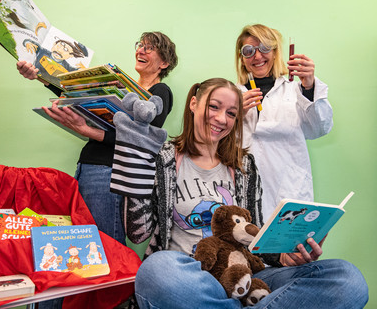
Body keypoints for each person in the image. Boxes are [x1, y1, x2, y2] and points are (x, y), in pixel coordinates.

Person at [115, 78, 368, 308]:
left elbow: (253, 239)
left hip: (247, 278)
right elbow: (138, 233)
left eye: (231, 113)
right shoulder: (163, 157)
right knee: (155, 271)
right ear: (194, 103)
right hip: (191, 278)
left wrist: (285, 256)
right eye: (214, 107)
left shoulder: (245, 167)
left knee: (348, 280)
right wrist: (136, 157)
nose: (222, 119)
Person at [16, 32, 178, 246]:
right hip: (88, 167)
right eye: (140, 45)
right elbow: (75, 94)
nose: (140, 50)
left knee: (104, 246)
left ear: (164, 62)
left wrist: (87, 131)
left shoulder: (159, 92)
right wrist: (39, 75)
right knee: (85, 243)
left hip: (110, 173)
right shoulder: (120, 89)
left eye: (149, 48)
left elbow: (143, 139)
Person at [235, 24, 334, 220]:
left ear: (275, 52)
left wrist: (309, 86)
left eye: (264, 48)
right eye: (249, 51)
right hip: (243, 187)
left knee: (289, 248)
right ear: (241, 57)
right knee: (245, 246)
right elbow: (215, 141)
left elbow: (320, 128)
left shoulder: (295, 91)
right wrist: (234, 114)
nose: (257, 56)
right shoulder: (232, 94)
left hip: (289, 189)